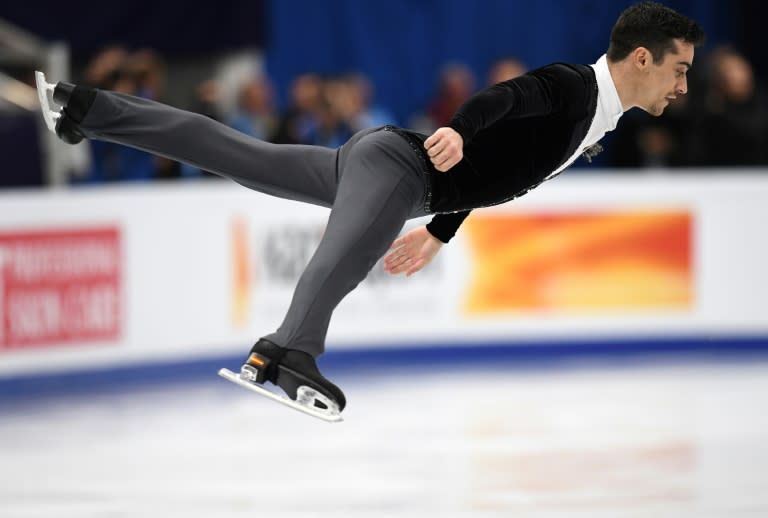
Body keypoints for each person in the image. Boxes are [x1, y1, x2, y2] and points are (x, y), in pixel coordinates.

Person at [37, 1, 704, 418]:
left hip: (387, 169)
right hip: (400, 167)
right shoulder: (573, 86)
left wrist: (440, 233)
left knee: (235, 154)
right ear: (641, 58)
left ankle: (88, 110)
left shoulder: (601, 120)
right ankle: (288, 351)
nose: (682, 86)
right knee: (346, 252)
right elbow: (506, 99)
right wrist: (462, 129)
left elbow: (502, 162)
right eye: (679, 71)